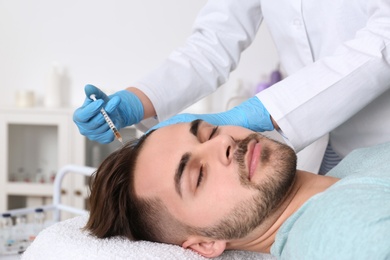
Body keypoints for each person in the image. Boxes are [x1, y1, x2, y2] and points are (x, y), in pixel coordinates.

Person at [74, 0, 390, 173]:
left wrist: (255, 114)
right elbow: (211, 44)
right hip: (319, 144)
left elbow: (383, 42)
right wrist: (136, 101)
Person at [85, 120, 390, 259]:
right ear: (205, 244)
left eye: (210, 132)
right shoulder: (341, 237)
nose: (223, 142)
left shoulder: (354, 166)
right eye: (199, 176)